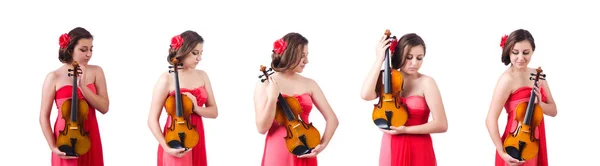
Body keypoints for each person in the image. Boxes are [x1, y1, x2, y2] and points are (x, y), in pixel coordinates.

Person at [359, 32, 448, 166]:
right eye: (409, 57)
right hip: (391, 146)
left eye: (419, 58)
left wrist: (405, 130)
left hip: (419, 147)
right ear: (400, 55)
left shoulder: (427, 82)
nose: (414, 63)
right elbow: (366, 95)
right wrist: (379, 60)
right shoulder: (388, 78)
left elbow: (441, 124)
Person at [253, 32, 339, 166]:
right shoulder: (266, 83)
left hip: (306, 147)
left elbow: (332, 119)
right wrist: (272, 98)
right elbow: (261, 128)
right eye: (302, 56)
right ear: (289, 54)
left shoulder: (310, 84)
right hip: (278, 151)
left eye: (307, 55)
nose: (306, 61)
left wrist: (321, 146)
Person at [485, 29, 558, 166]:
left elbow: (553, 111)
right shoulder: (507, 79)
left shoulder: (538, 75)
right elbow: (490, 119)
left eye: (526, 53)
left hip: (535, 140)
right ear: (508, 52)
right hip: (514, 142)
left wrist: (540, 104)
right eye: (515, 52)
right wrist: (502, 153)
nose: (520, 57)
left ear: (532, 51)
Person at [39, 27, 109, 166]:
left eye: (91, 49)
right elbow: (43, 117)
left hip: (89, 135)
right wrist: (53, 146)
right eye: (83, 50)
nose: (89, 54)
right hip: (64, 139)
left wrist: (82, 87)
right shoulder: (53, 77)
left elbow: (104, 107)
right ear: (70, 50)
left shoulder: (96, 72)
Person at [148, 30, 218, 166]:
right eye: (195, 53)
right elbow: (152, 120)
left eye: (201, 53)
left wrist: (196, 107)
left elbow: (214, 112)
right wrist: (166, 147)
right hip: (175, 138)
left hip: (196, 136)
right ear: (183, 51)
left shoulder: (203, 75)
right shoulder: (166, 78)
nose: (199, 58)